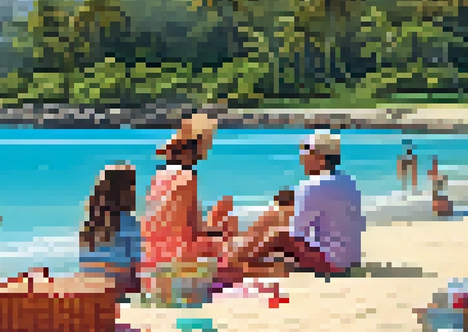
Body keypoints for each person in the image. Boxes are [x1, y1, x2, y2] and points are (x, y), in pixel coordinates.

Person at [139, 114, 239, 292]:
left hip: (151, 258)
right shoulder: (187, 177)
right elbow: (194, 230)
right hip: (178, 260)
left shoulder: (159, 176)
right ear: (195, 149)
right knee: (227, 233)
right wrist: (220, 228)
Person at [245, 131, 365, 277]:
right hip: (350, 259)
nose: (302, 160)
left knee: (278, 234)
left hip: (332, 264)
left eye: (306, 155)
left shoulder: (312, 185)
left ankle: (244, 264)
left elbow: (297, 233)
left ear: (321, 159)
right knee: (281, 213)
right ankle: (247, 257)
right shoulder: (347, 180)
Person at [78, 164, 141, 298]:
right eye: (132, 185)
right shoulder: (129, 224)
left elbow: (86, 269)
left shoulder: (87, 228)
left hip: (92, 296)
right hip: (121, 297)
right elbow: (139, 269)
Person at [230, 189, 295, 275]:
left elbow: (254, 234)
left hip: (288, 249)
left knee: (274, 235)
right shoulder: (294, 212)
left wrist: (239, 256)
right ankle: (243, 263)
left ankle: (242, 263)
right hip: (293, 252)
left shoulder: (278, 213)